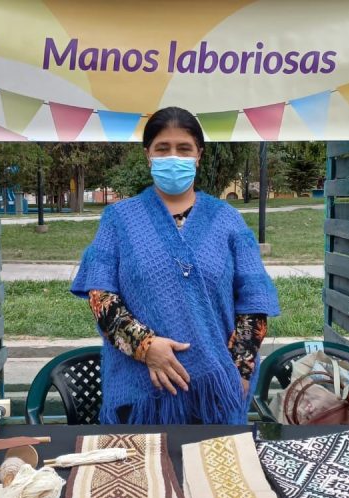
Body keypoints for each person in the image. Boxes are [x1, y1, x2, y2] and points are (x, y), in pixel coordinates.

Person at [71, 106, 279, 424]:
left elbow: (253, 301)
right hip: (140, 394)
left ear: (198, 156)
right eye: (162, 148)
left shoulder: (227, 220)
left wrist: (241, 369)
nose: (173, 157)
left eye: (184, 148)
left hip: (215, 394)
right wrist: (145, 346)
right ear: (148, 155)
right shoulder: (119, 220)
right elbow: (101, 296)